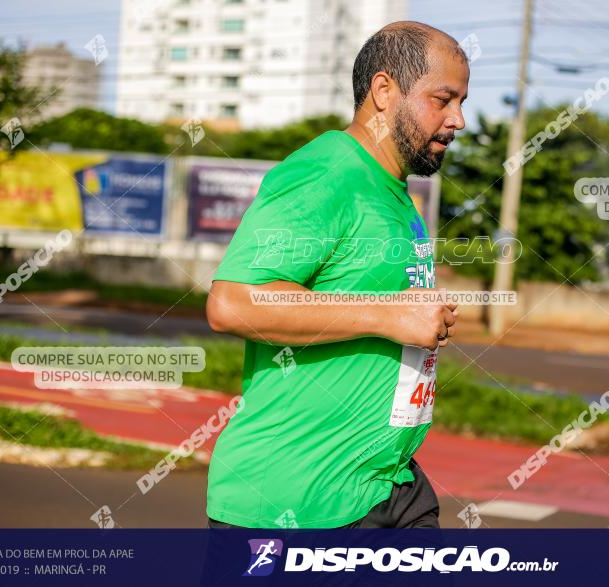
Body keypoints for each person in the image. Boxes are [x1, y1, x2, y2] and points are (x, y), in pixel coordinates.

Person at [204, 20, 469, 529]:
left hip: (386, 487)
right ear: (385, 91)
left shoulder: (396, 194)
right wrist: (386, 315)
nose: (458, 119)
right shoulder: (326, 174)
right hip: (295, 502)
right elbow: (233, 302)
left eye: (462, 101)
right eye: (444, 99)